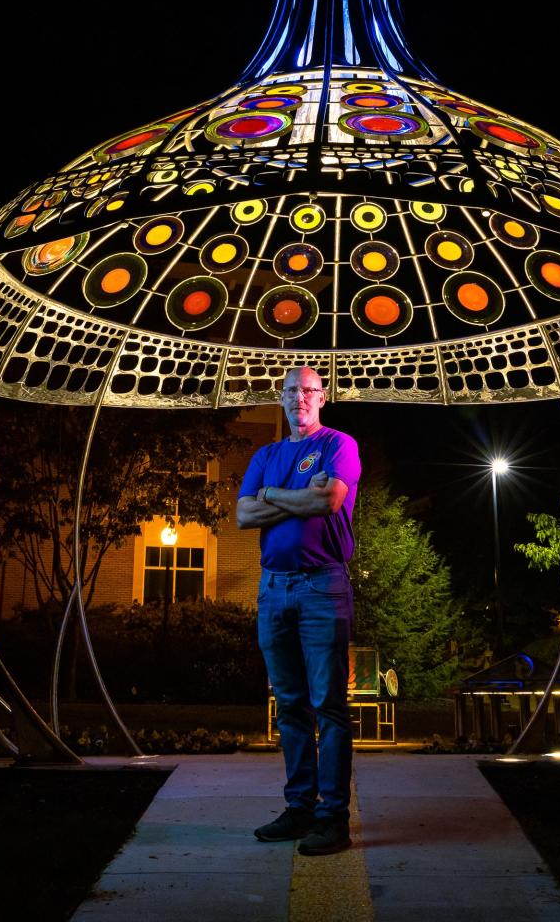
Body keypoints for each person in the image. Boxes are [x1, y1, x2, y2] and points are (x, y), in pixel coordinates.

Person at [237, 364, 361, 856]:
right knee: (290, 705)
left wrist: (270, 495)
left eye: (309, 390)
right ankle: (300, 808)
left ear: (323, 397)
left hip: (322, 585)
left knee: (328, 705)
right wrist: (291, 500)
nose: (300, 398)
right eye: (292, 390)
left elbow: (329, 500)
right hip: (274, 589)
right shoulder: (265, 454)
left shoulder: (337, 445)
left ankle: (333, 817)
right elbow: (244, 514)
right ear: (281, 398)